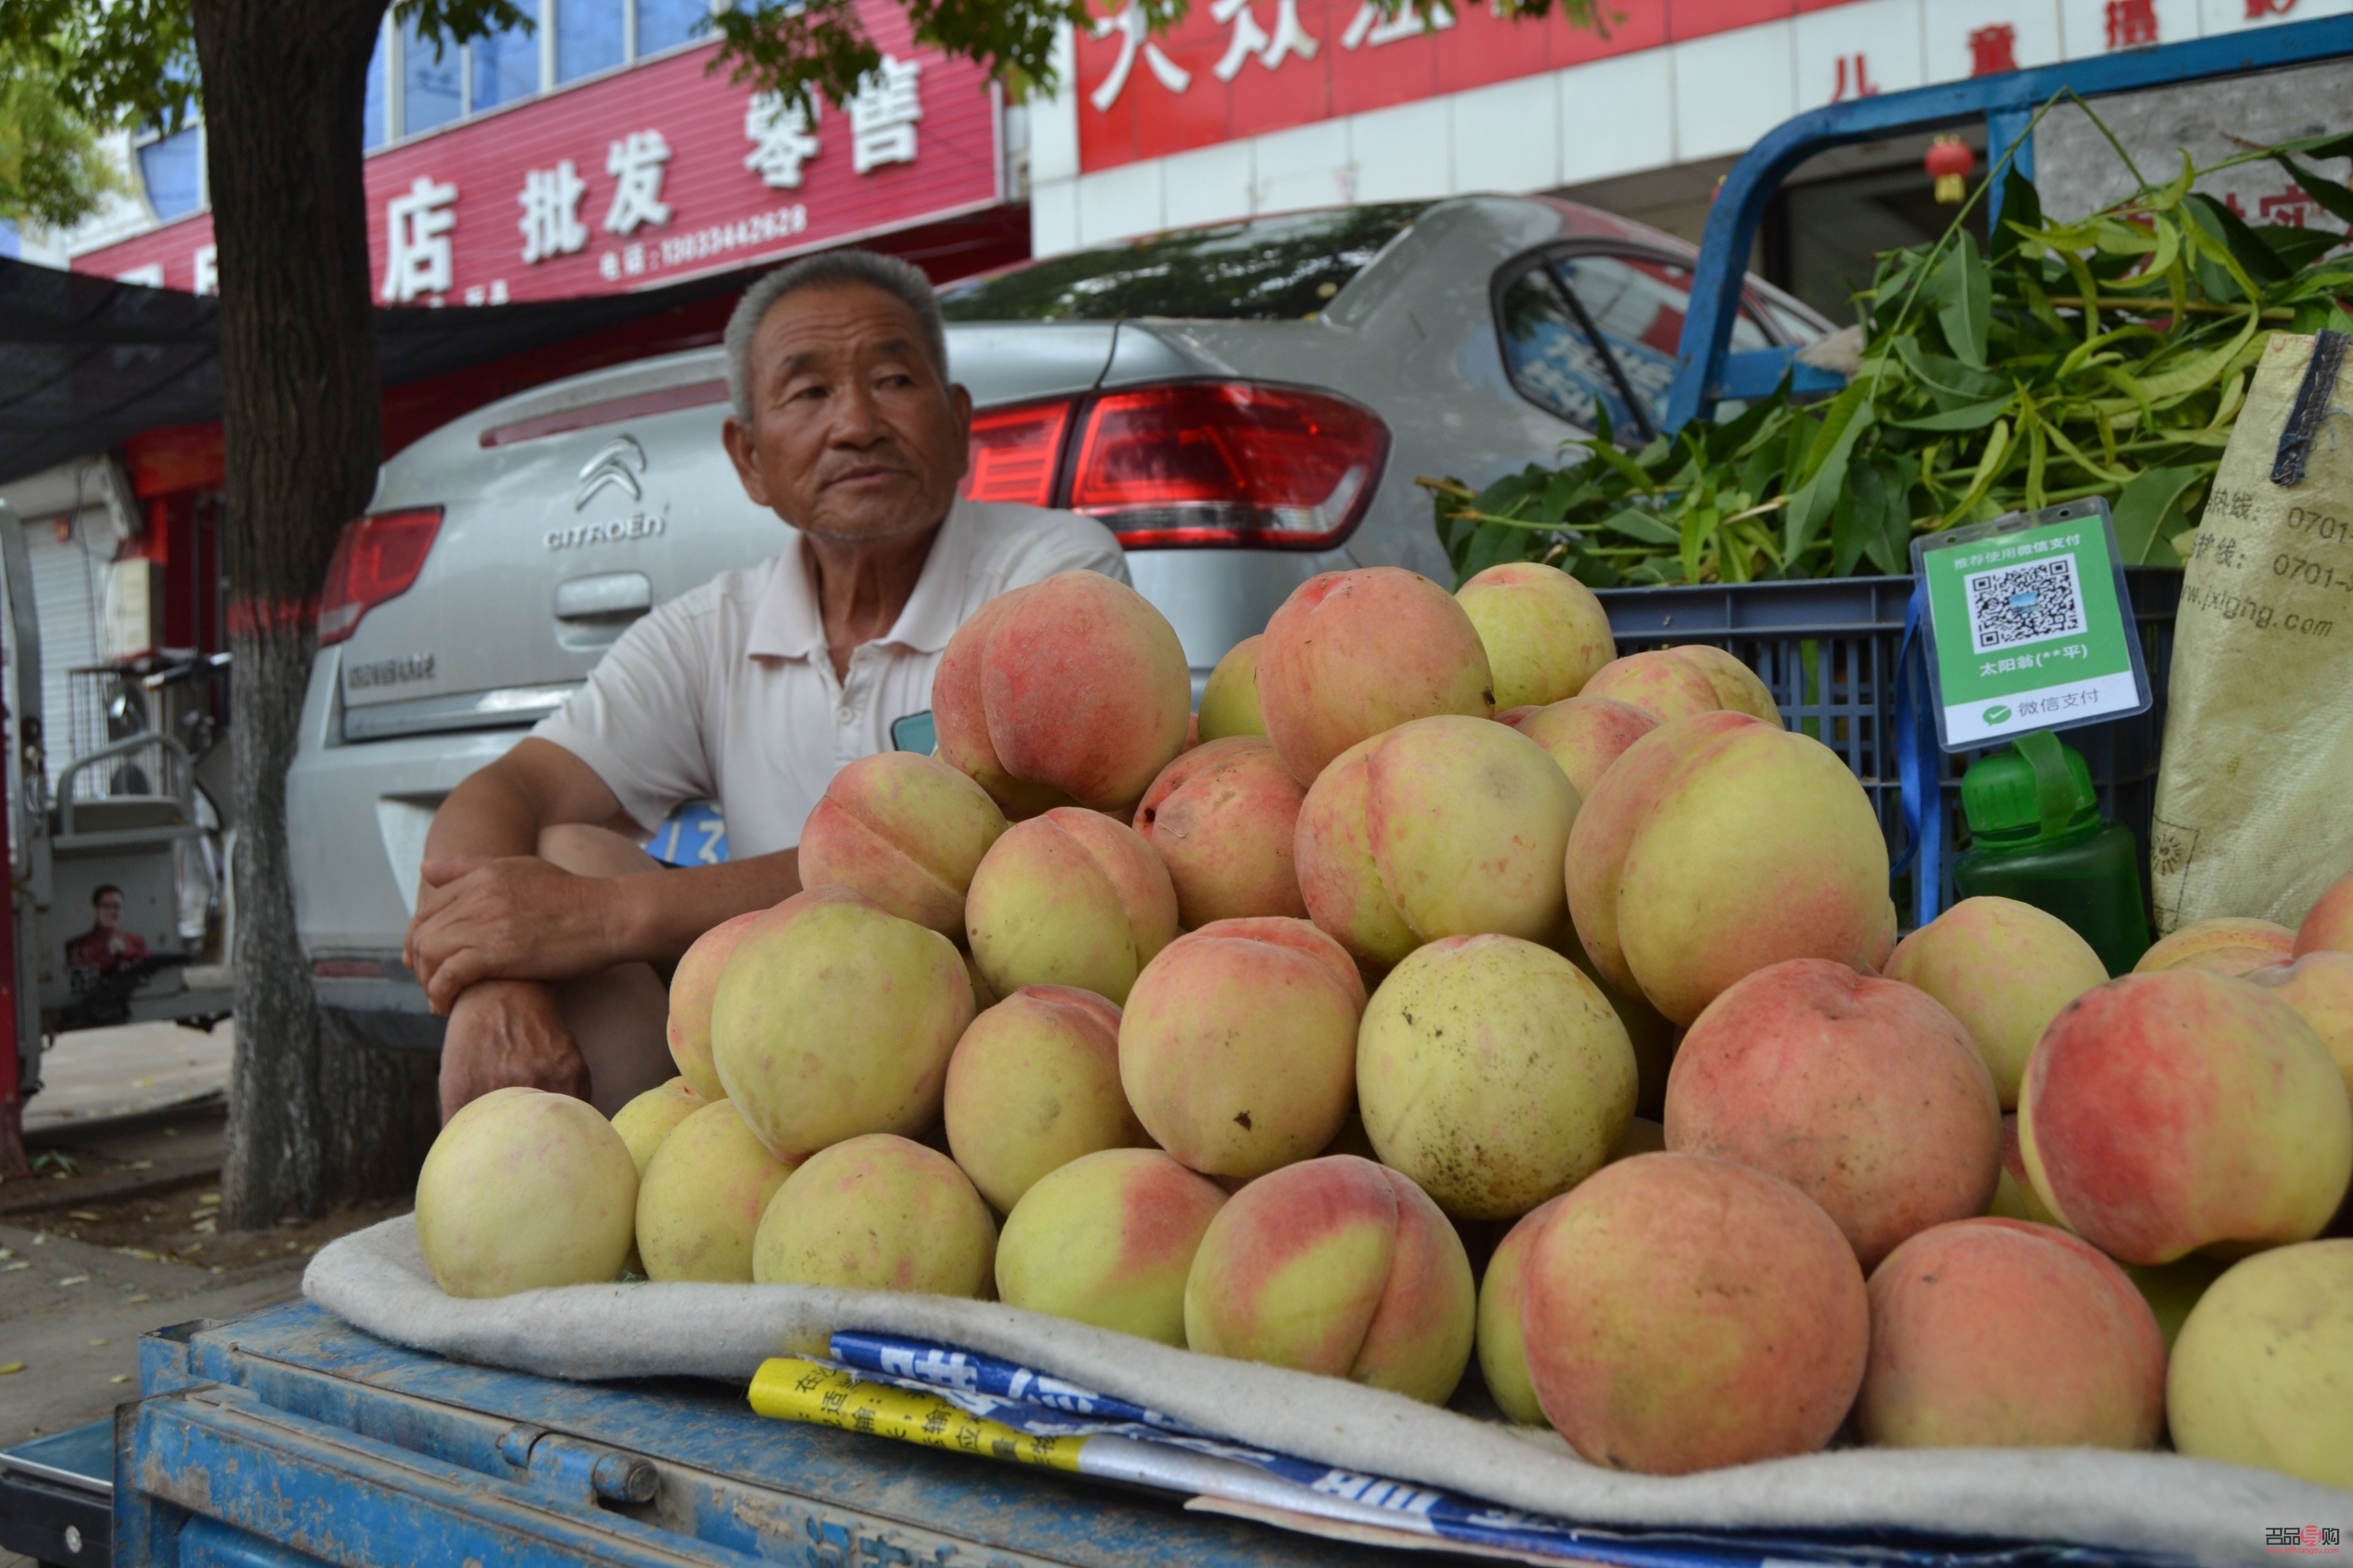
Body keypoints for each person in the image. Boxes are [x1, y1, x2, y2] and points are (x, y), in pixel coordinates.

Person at [404, 250, 1126, 1119]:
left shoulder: (1052, 576)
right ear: (748, 457)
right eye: (809, 393)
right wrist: (499, 968)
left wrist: (610, 915)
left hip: (1003, 1048)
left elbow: (980, 849)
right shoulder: (712, 628)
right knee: (559, 852)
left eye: (895, 378)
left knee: (576, 891)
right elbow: (510, 788)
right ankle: (558, 1224)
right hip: (768, 1061)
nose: (857, 423)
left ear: (958, 420)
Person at [66, 883, 150, 974]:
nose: (113, 912)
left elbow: (151, 963)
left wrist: (126, 950)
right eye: (107, 907)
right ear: (96, 910)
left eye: (117, 906)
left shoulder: (136, 940)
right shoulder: (78, 945)